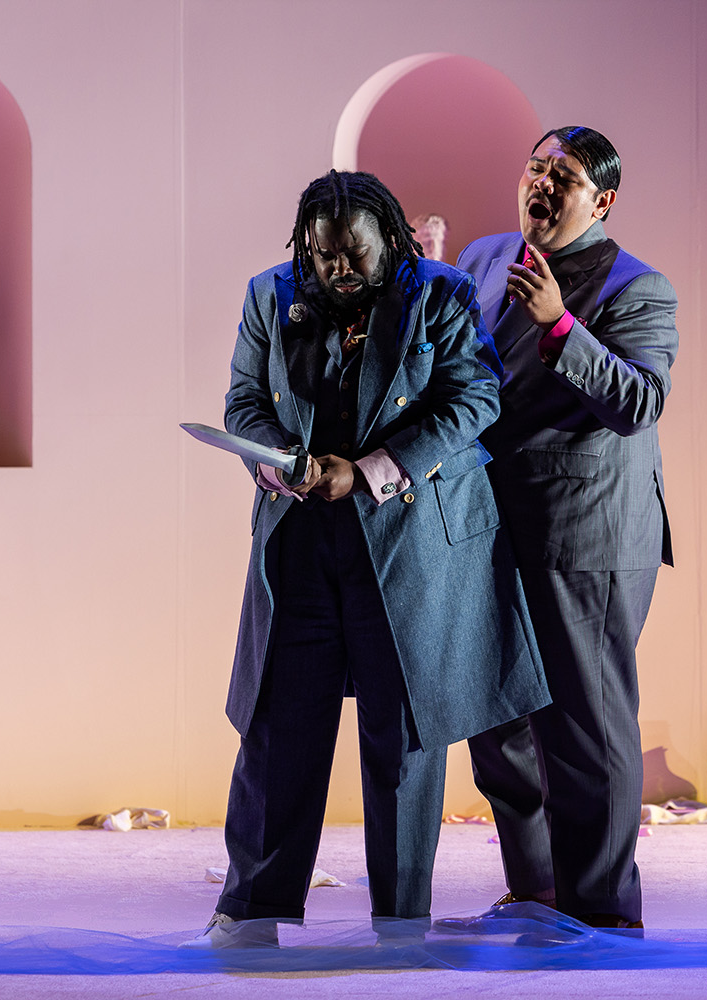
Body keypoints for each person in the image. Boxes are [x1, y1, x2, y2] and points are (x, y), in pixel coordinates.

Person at [198, 170, 548, 944]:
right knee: (276, 726)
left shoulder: (443, 293)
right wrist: (277, 464)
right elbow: (244, 401)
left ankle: (400, 923)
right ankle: (250, 912)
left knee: (403, 737)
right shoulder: (268, 293)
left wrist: (368, 472)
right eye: (321, 256)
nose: (337, 270)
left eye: (353, 254)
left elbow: (475, 398)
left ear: (390, 239)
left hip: (409, 542)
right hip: (300, 544)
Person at [456, 126, 678, 929]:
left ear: (602, 200)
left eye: (566, 176)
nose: (542, 184)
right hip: (486, 525)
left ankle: (604, 913)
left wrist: (558, 325)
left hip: (586, 535)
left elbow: (640, 402)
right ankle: (539, 892)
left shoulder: (637, 287)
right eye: (536, 167)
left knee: (586, 728)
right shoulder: (484, 257)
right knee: (494, 720)